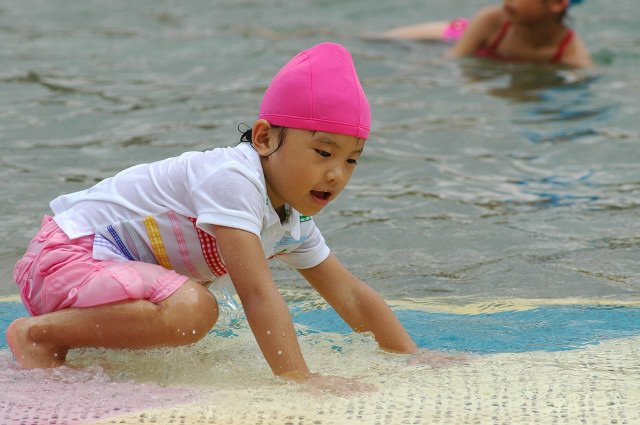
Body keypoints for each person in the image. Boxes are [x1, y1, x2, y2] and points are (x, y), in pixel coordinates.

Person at [6, 42, 457, 390]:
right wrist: (299, 382)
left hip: (97, 279)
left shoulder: (288, 220)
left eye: (353, 160)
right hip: (66, 258)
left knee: (193, 307)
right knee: (194, 310)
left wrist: (409, 356)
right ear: (263, 138)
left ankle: (65, 335)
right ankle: (39, 334)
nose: (336, 174)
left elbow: (351, 296)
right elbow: (258, 295)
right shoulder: (232, 178)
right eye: (323, 152)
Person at [382, 0, 592, 68]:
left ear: (557, 3)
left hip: (489, 55)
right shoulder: (492, 19)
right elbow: (454, 60)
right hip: (457, 35)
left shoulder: (570, 53)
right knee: (381, 40)